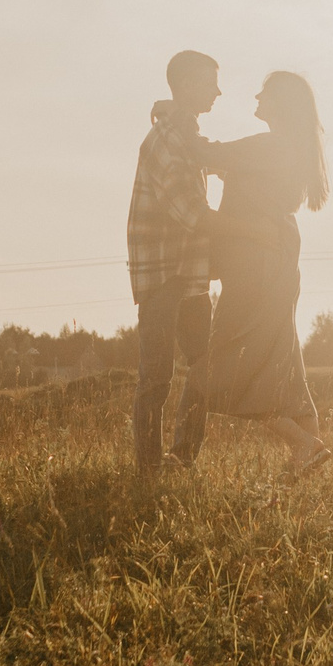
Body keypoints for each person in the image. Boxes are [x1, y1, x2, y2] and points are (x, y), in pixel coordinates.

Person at [199, 70, 331, 478]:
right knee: (282, 359)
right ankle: (311, 453)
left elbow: (207, 154)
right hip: (274, 262)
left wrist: (171, 119)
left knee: (229, 363)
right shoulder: (284, 149)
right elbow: (234, 171)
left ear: (282, 103)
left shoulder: (271, 146)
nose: (256, 96)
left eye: (265, 92)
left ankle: (304, 444)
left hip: (258, 265)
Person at [125, 50, 219, 477]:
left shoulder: (183, 134)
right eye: (209, 81)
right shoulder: (168, 140)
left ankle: (181, 460)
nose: (218, 90)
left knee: (205, 366)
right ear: (184, 86)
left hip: (190, 275)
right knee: (157, 376)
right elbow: (192, 212)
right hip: (164, 274)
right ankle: (149, 469)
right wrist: (254, 232)